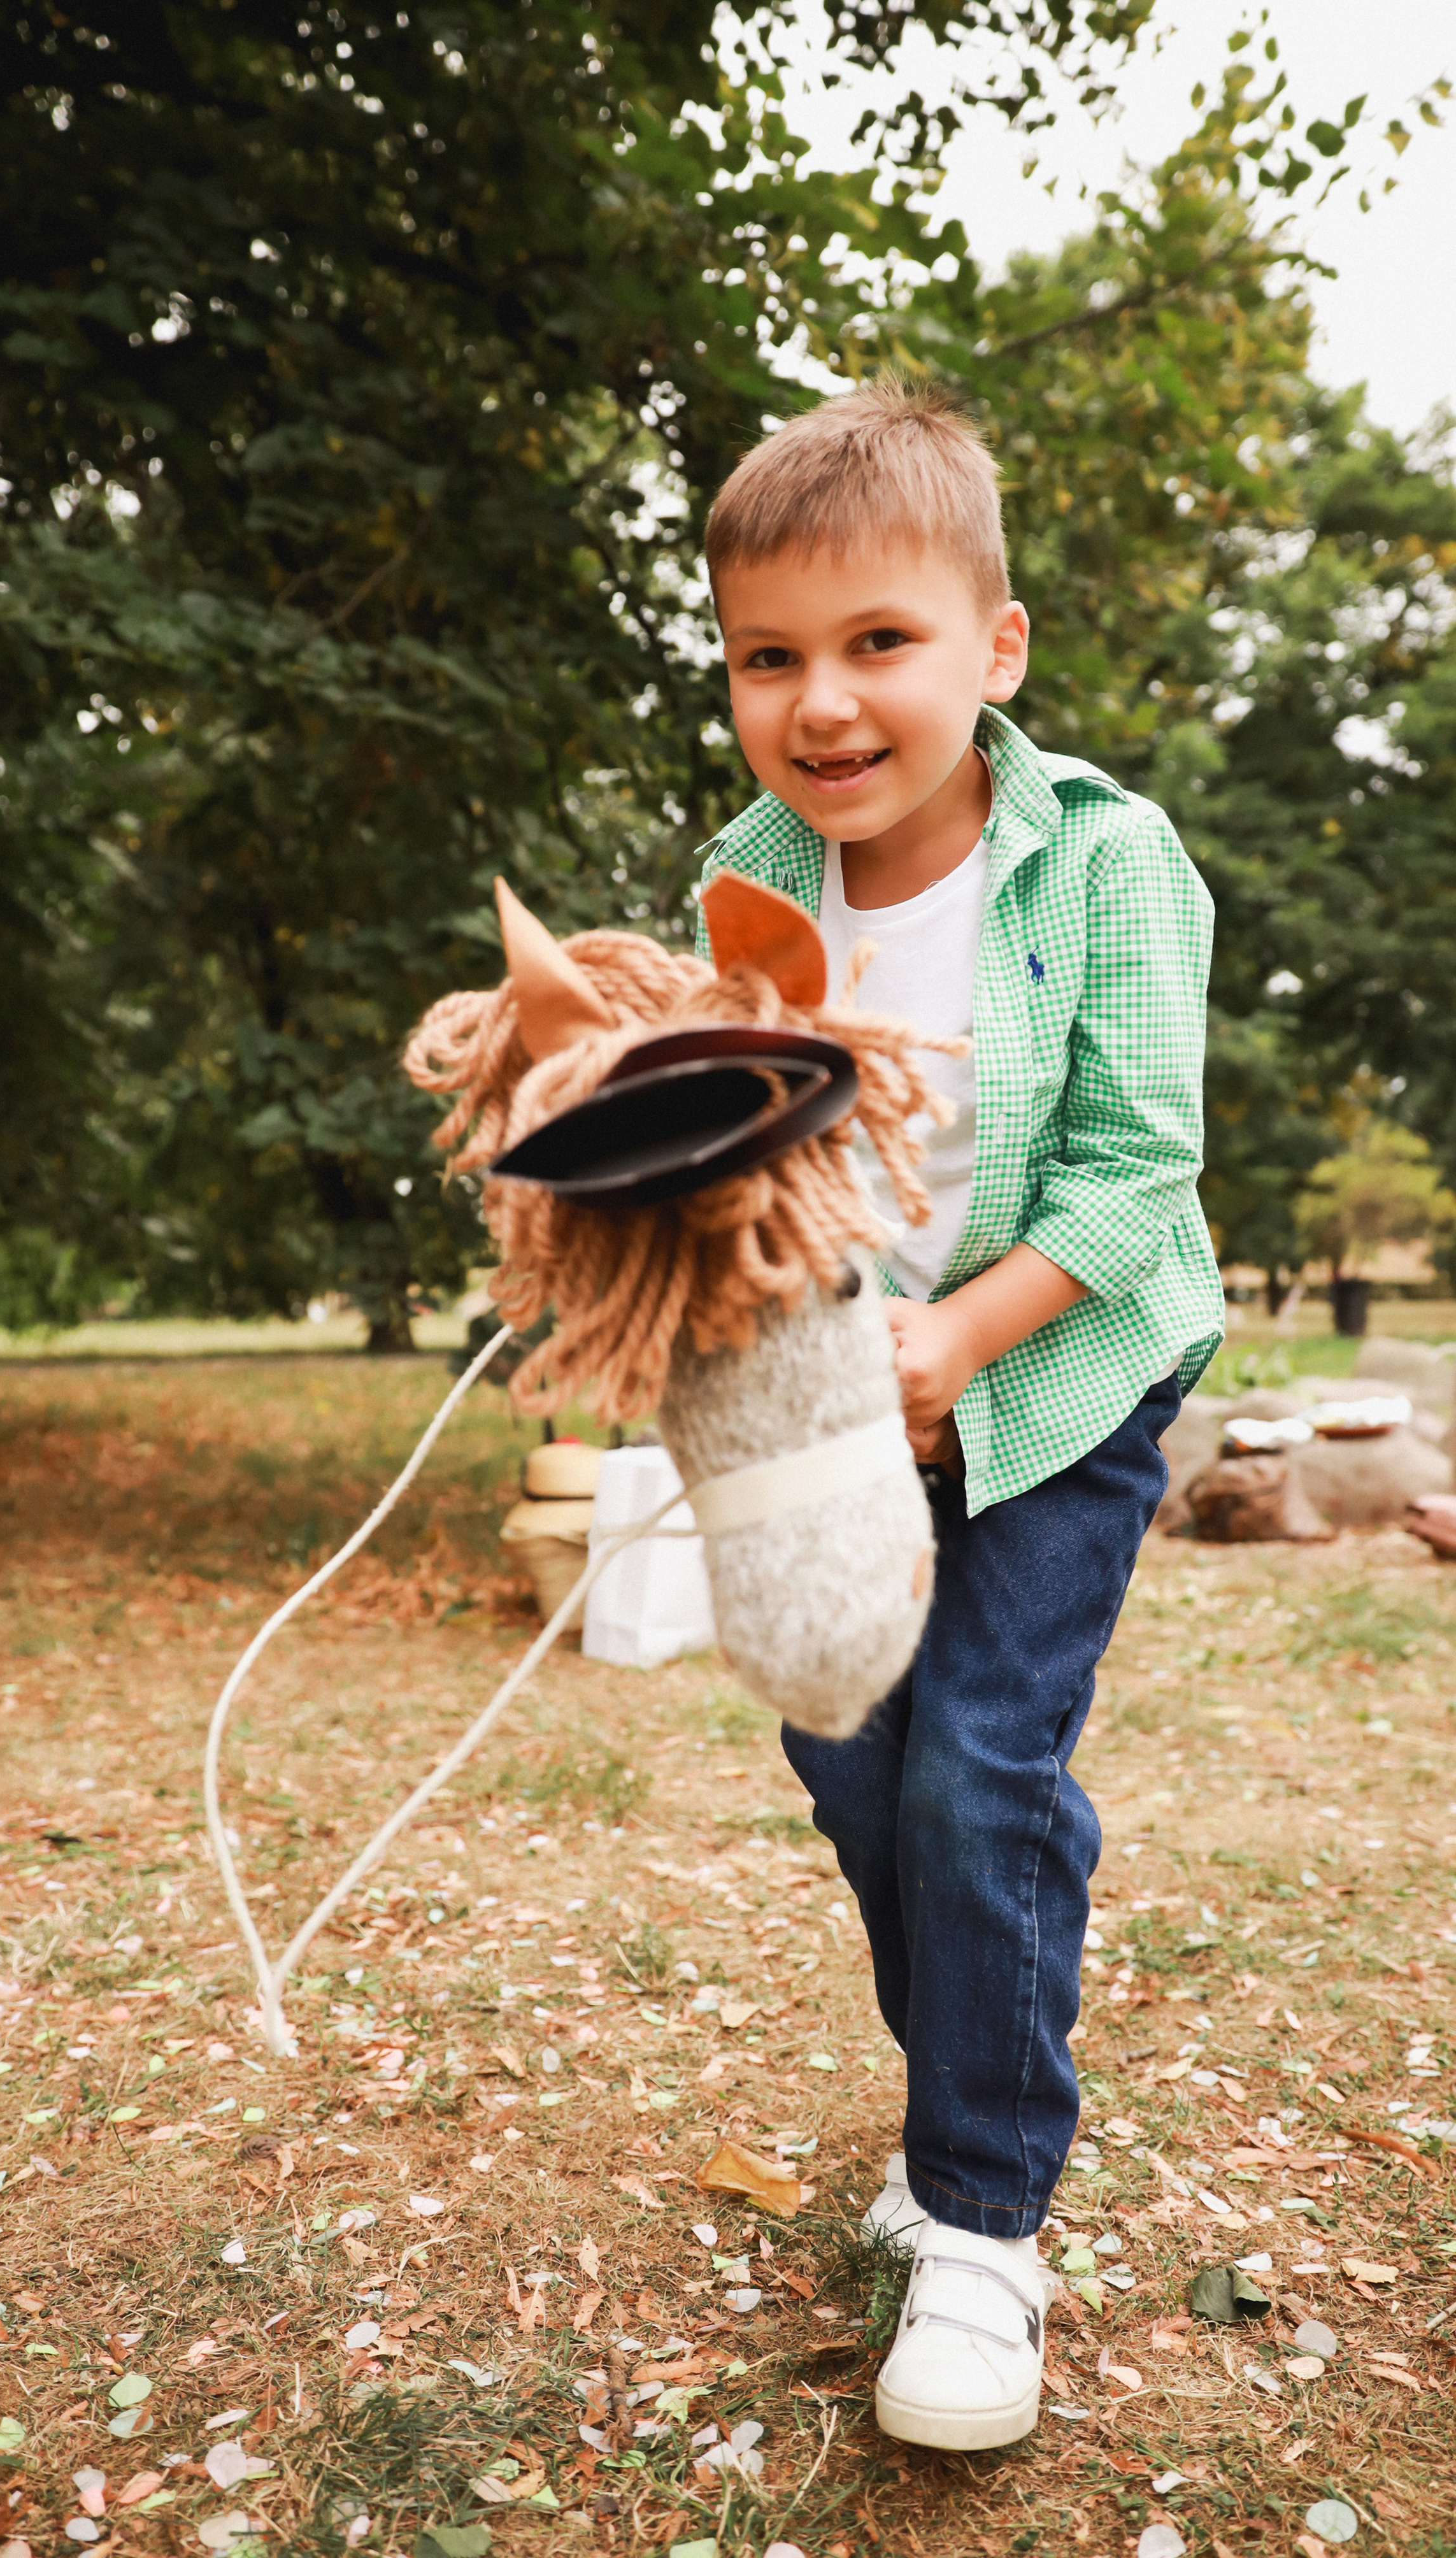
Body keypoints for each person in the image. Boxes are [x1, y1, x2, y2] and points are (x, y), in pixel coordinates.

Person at [693, 376, 1224, 2452]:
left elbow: (1132, 1179)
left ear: (993, 650)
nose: (821, 703)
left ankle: (984, 2221)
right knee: (857, 1760)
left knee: (978, 1767)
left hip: (1071, 1366)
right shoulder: (749, 872)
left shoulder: (1103, 861)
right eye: (768, 656)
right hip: (844, 1380)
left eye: (877, 642)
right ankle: (981, 2048)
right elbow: (750, 1141)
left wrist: (965, 1343)